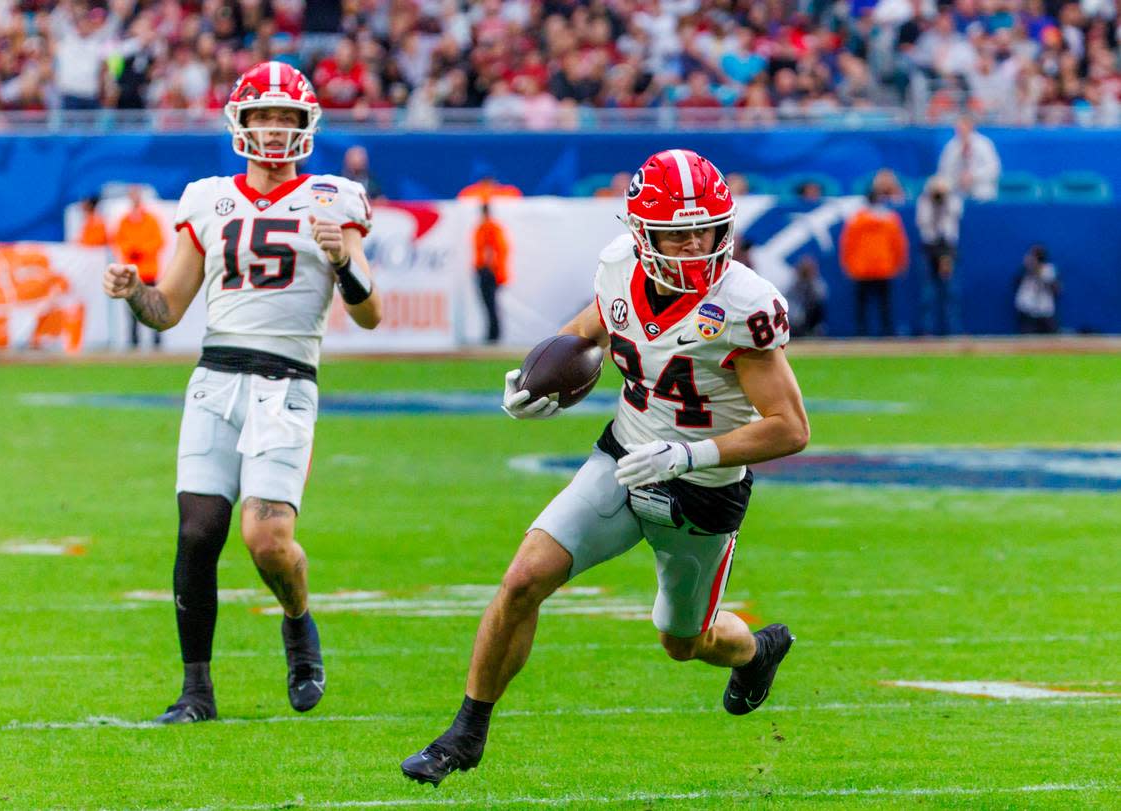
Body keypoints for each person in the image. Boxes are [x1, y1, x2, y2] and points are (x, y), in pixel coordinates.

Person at [401, 149, 810, 786]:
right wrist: (537, 382)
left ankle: (756, 651)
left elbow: (790, 428)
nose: (697, 245)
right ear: (642, 235)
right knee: (523, 579)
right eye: (679, 233)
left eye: (706, 229)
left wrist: (689, 453)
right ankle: (465, 734)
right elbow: (589, 333)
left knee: (684, 642)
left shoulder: (744, 304)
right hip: (621, 460)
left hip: (700, 492)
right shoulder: (619, 270)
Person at [102, 61, 382, 724]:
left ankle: (297, 618)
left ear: (306, 125)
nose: (276, 128)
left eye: (287, 117)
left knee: (267, 540)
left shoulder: (334, 199)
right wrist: (133, 290)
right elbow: (168, 307)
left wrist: (341, 261)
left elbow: (371, 314)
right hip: (214, 379)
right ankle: (196, 690)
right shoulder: (206, 198)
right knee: (199, 531)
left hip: (286, 382)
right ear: (242, 122)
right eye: (264, 115)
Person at [839, 181, 909, 336]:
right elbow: (899, 244)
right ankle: (887, 333)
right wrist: (900, 263)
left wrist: (848, 264)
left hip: (862, 268)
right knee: (883, 304)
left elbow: (847, 244)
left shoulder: (857, 219)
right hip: (883, 266)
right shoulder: (890, 219)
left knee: (864, 305)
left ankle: (862, 333)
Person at [112, 186, 166, 349]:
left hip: (149, 271)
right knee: (132, 309)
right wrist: (131, 249)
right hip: (133, 272)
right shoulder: (124, 221)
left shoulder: (151, 220)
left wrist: (141, 250)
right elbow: (118, 241)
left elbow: (159, 241)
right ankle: (134, 341)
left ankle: (156, 341)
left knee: (152, 306)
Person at [915, 176, 964, 336]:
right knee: (927, 293)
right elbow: (923, 222)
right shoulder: (924, 202)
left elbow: (954, 215)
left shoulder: (953, 200)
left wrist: (944, 200)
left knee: (950, 292)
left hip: (947, 249)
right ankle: (927, 331)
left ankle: (953, 330)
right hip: (929, 249)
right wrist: (933, 201)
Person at [936, 114, 1001, 201]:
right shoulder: (951, 146)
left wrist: (973, 176)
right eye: (959, 127)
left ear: (971, 127)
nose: (962, 130)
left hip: (982, 192)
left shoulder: (984, 144)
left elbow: (994, 169)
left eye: (964, 127)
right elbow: (943, 171)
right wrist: (958, 176)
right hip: (957, 193)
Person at [472, 202, 509, 343]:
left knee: (490, 303)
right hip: (489, 270)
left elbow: (491, 249)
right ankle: (493, 333)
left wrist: (489, 267)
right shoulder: (488, 226)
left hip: (488, 270)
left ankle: (493, 334)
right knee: (490, 304)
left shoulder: (488, 227)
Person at [1014, 244, 1060, 334]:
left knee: (1053, 340)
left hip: (1045, 312)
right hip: (1027, 312)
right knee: (1027, 341)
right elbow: (1016, 283)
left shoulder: (1049, 270)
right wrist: (1029, 269)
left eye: (1032, 256)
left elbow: (1057, 290)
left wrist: (1039, 271)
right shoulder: (1024, 270)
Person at [785, 255, 828, 337]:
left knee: (816, 306)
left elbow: (821, 297)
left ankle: (813, 330)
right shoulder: (793, 285)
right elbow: (788, 303)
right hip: (795, 320)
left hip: (811, 320)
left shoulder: (816, 284)